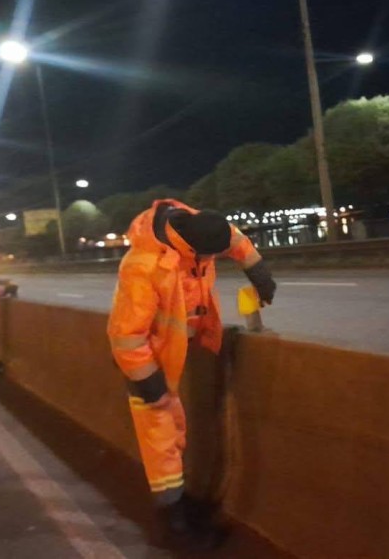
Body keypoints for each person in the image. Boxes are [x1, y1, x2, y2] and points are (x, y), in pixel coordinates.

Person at [107, 199, 276, 548]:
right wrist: (148, 381)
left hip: (173, 353)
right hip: (147, 363)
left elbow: (235, 240)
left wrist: (258, 271)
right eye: (209, 257)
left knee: (176, 432)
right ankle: (174, 526)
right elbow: (125, 336)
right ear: (192, 248)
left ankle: (180, 505)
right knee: (161, 439)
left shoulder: (200, 226)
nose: (213, 261)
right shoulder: (143, 267)